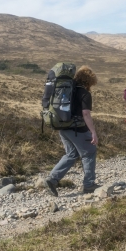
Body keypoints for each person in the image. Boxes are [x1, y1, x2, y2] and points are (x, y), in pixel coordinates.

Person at [44, 65, 99, 196]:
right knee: (89, 152)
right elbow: (85, 114)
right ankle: (89, 184)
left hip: (63, 127)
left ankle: (52, 180)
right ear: (89, 81)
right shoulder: (84, 93)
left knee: (71, 154)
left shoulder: (67, 90)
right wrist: (93, 132)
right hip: (77, 129)